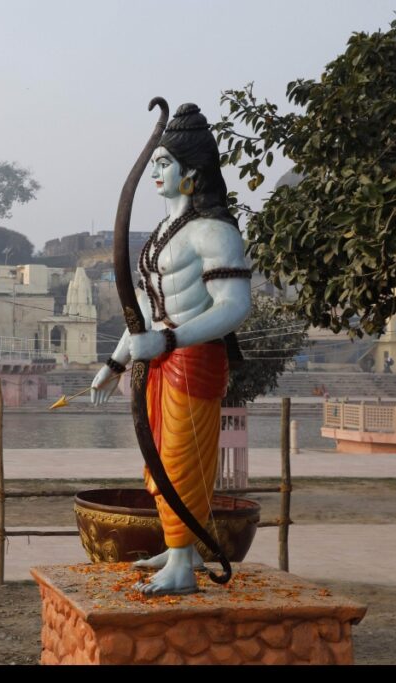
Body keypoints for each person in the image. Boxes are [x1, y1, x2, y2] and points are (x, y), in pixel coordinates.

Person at [90, 103, 252, 595]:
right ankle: (177, 546)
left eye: (165, 164)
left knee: (183, 458)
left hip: (193, 359)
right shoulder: (160, 237)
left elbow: (235, 305)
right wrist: (116, 362)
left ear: (191, 175)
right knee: (156, 460)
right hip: (156, 361)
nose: (156, 173)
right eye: (153, 163)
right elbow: (143, 307)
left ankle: (184, 559)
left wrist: (169, 339)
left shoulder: (215, 232)